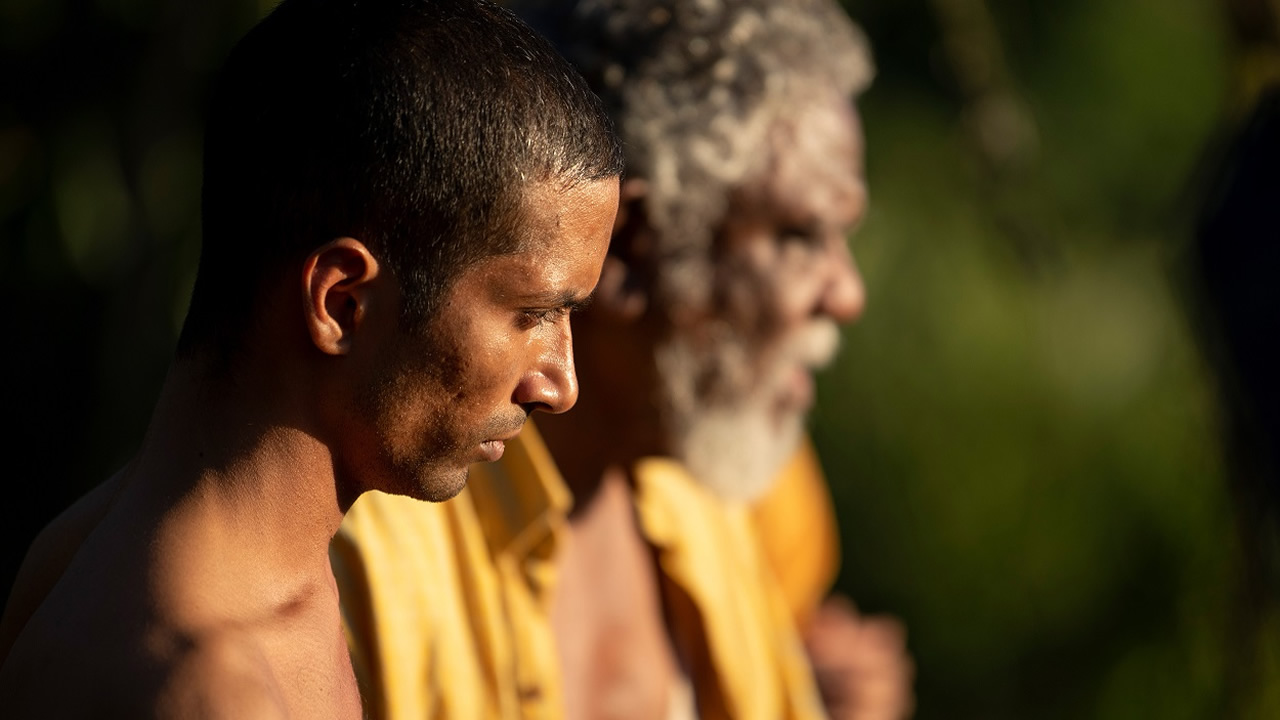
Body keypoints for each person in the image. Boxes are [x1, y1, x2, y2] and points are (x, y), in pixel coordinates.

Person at [0, 0, 622, 716]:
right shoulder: (201, 688)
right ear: (342, 303)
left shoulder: (84, 553)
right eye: (534, 314)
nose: (558, 384)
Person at [333, 0, 913, 718]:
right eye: (799, 236)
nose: (847, 294)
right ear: (633, 245)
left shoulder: (721, 511)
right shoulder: (370, 562)